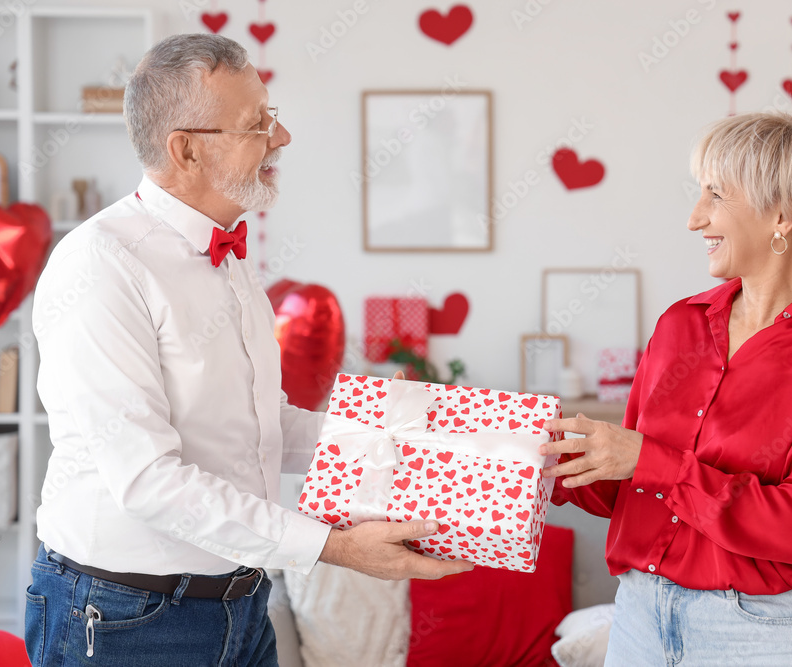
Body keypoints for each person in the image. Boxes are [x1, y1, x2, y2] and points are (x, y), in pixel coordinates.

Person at [24, 33, 470, 667]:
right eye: (257, 124)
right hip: (124, 619)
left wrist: (418, 439)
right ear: (186, 149)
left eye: (273, 117)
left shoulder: (228, 259)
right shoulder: (99, 263)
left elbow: (267, 426)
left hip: (242, 605)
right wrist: (335, 548)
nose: (280, 139)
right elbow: (149, 481)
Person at [542, 112, 792, 666]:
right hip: (638, 617)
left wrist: (649, 462)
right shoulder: (678, 326)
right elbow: (626, 489)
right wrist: (551, 457)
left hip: (764, 632)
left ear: (782, 214)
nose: (694, 219)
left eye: (714, 195)